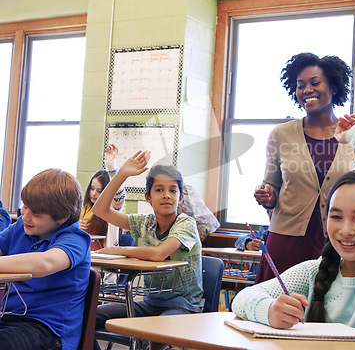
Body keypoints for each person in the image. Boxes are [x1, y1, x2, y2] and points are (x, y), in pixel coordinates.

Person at [233, 114, 355, 336]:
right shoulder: (312, 272)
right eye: (336, 216)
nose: (346, 230)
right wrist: (269, 310)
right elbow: (242, 298)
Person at [253, 52, 355, 283]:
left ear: (333, 87)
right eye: (300, 85)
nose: (307, 90)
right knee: (278, 306)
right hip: (286, 239)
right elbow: (272, 188)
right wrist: (266, 196)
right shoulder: (280, 134)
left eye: (315, 83)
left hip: (340, 239)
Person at [91, 150, 203, 340]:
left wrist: (120, 249)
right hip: (150, 304)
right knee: (88, 315)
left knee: (157, 332)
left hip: (182, 306)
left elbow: (159, 254)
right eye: (159, 190)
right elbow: (100, 210)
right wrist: (122, 174)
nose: (167, 195)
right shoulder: (145, 222)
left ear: (180, 198)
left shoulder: (186, 223)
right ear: (148, 197)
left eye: (173, 190)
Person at [0, 168, 90, 350]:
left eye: (36, 214)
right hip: (9, 318)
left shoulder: (75, 239)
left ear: (62, 217)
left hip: (49, 329)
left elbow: (45, 263)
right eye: (24, 207)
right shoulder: (21, 227)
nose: (25, 216)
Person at [79, 144, 126, 250]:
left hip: (103, 258)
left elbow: (119, 192)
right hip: (82, 254)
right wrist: (74, 226)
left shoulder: (113, 209)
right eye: (92, 188)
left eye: (99, 191)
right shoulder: (83, 208)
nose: (94, 193)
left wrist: (110, 164)